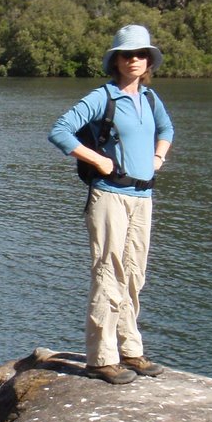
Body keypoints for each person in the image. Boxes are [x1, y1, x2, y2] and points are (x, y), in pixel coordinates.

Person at [48, 24, 174, 385]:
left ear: (148, 60)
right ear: (116, 61)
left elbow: (166, 130)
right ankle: (101, 358)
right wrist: (98, 160)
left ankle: (130, 350)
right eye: (127, 54)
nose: (134, 60)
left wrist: (158, 159)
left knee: (134, 275)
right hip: (109, 196)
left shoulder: (150, 99)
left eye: (141, 54)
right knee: (108, 272)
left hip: (143, 196)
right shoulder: (102, 97)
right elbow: (59, 131)